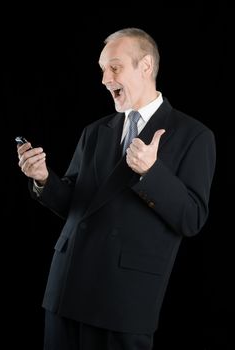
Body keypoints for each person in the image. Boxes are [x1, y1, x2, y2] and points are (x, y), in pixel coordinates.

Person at [17, 28, 216, 350]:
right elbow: (73, 203)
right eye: (102, 69)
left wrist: (151, 172)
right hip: (68, 285)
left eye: (115, 67)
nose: (104, 79)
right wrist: (44, 179)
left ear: (146, 66)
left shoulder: (194, 135)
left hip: (124, 298)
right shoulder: (95, 131)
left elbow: (192, 218)